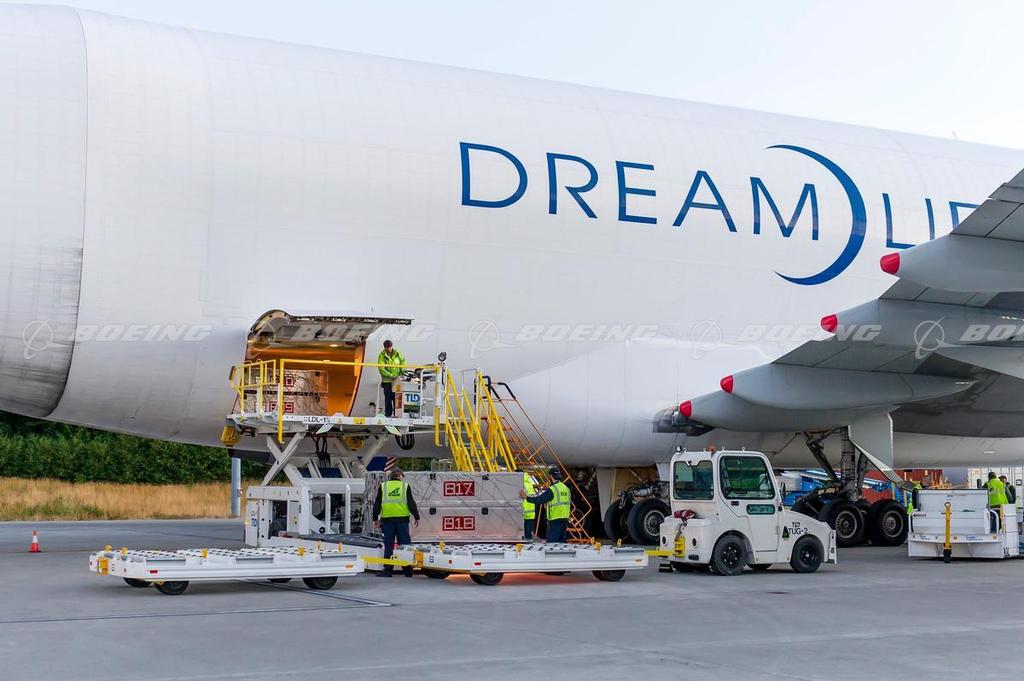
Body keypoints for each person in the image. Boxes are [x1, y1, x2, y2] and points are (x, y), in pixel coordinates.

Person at [372, 468, 420, 577]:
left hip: (387, 521)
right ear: (399, 476)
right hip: (402, 521)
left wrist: (375, 518)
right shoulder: (405, 486)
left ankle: (387, 571)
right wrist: (416, 516)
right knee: (404, 546)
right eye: (402, 476)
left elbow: (377, 503)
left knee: (389, 545)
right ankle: (407, 571)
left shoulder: (383, 486)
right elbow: (411, 503)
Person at [519, 469, 572, 543]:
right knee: (562, 543)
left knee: (552, 544)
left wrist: (526, 498)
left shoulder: (553, 489)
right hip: (565, 519)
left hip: (555, 520)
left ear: (551, 476)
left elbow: (539, 500)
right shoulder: (566, 488)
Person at [377, 340, 405, 417]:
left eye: (390, 347)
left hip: (397, 380)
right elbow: (381, 368)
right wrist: (391, 375)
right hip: (387, 381)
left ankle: (397, 414)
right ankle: (388, 414)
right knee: (388, 397)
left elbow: (402, 362)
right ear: (384, 347)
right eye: (387, 347)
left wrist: (402, 372)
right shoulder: (382, 355)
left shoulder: (397, 353)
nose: (389, 349)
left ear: (392, 346)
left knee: (397, 397)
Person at [522, 471, 538, 540]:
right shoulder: (528, 481)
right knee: (529, 533)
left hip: (524, 510)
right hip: (531, 510)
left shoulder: (520, 482)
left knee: (524, 533)